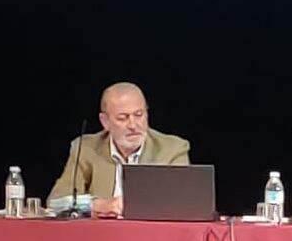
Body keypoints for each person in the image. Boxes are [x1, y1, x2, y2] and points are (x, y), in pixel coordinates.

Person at [47, 82, 190, 218]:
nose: (133, 125)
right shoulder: (86, 149)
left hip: (153, 236)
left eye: (139, 115)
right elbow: (56, 202)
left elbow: (184, 203)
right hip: (101, 236)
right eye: (123, 118)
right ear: (105, 122)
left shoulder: (172, 149)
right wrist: (97, 205)